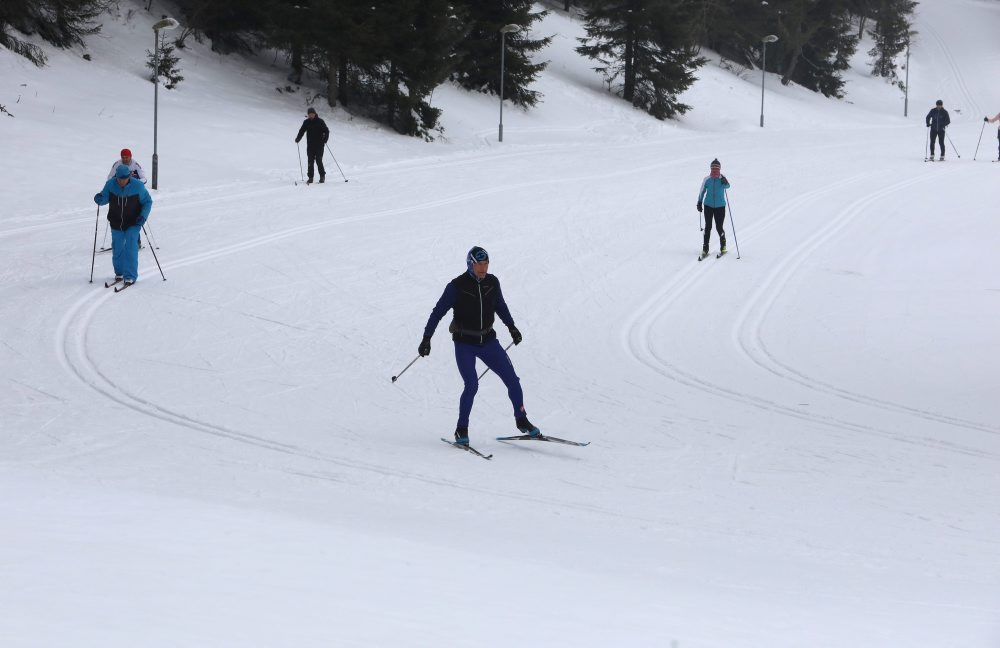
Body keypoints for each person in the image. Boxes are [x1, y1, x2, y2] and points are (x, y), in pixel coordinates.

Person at [419, 246, 540, 446]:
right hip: (465, 344)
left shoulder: (492, 282)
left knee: (513, 380)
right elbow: (438, 312)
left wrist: (512, 327)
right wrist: (426, 338)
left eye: (486, 264)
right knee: (472, 385)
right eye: (479, 265)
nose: (483, 268)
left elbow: (501, 306)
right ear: (470, 264)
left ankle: (522, 419)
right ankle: (461, 429)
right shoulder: (456, 286)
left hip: (489, 342)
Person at [94, 164, 153, 286]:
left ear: (129, 176)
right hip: (116, 221)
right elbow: (104, 198)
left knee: (131, 248)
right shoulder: (110, 184)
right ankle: (119, 273)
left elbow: (147, 202)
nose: (121, 181)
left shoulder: (138, 186)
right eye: (119, 179)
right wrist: (100, 198)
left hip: (133, 222)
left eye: (124, 179)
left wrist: (143, 216)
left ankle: (130, 276)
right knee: (117, 248)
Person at [696, 158, 730, 257]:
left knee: (719, 227)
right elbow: (702, 191)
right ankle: (705, 249)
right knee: (708, 227)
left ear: (719, 169)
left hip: (720, 207)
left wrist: (725, 181)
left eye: (716, 168)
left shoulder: (722, 178)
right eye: (713, 168)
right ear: (710, 168)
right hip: (708, 206)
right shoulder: (707, 179)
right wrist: (699, 202)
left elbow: (728, 186)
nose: (714, 170)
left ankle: (723, 247)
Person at [294, 107, 330, 184]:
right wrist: (298, 138)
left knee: (318, 160)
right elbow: (302, 131)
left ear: (315, 114)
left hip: (319, 145)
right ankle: (310, 177)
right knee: (310, 161)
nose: (311, 115)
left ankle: (322, 176)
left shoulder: (320, 121)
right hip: (310, 145)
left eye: (312, 114)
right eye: (309, 114)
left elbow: (326, 131)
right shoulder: (306, 122)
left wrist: (325, 139)